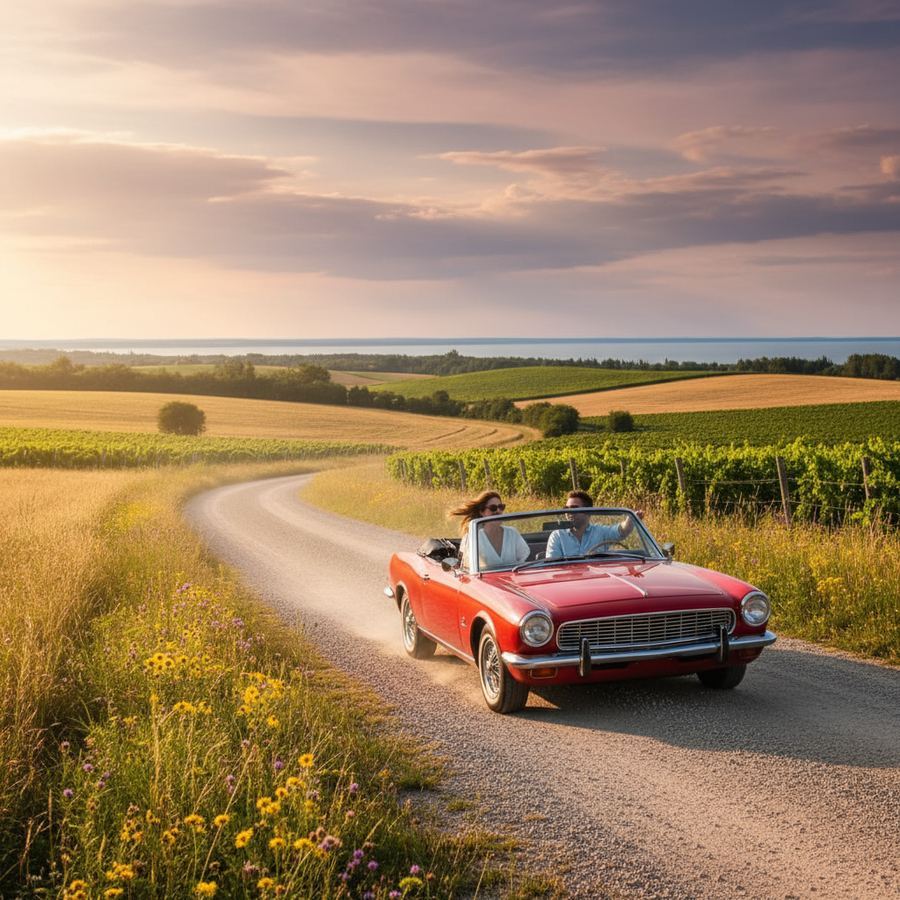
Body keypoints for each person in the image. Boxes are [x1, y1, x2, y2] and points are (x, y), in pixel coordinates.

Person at [545, 490, 642, 559]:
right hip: (569, 582)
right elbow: (553, 568)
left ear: (588, 512)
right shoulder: (557, 535)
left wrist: (630, 520)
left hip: (596, 580)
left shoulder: (600, 531)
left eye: (574, 508)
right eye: (566, 509)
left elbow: (621, 531)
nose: (569, 512)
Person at [450, 490, 529, 570]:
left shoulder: (512, 533)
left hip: (513, 580)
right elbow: (466, 567)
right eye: (493, 508)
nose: (498, 511)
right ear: (482, 512)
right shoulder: (472, 538)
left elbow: (523, 559)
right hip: (484, 581)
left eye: (501, 507)